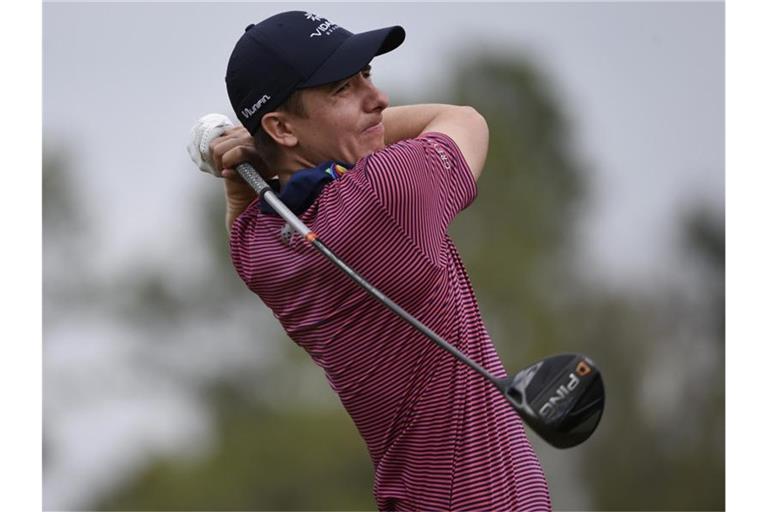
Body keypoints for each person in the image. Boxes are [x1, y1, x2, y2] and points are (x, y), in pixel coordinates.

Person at [208, 10, 551, 511]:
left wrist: (249, 166)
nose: (379, 99)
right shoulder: (386, 193)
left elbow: (244, 217)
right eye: (343, 89)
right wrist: (253, 157)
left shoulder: (260, 250)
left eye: (367, 74)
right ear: (281, 127)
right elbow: (465, 120)